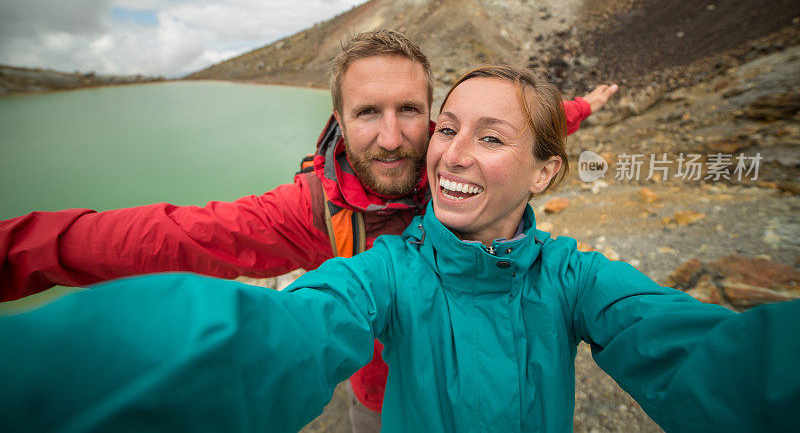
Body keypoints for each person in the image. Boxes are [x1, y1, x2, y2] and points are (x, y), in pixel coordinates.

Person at [0, 65, 796, 433]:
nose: (403, 138)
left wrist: (585, 103)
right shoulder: (350, 239)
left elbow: (709, 356)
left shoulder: (571, 274)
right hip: (376, 388)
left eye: (416, 112)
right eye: (366, 112)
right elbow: (186, 249)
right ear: (336, 121)